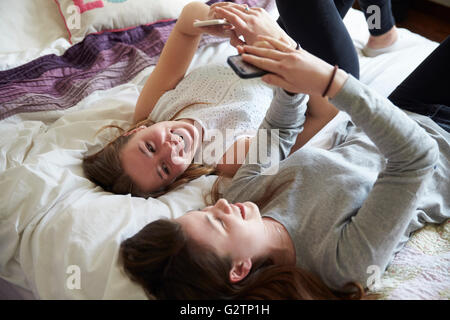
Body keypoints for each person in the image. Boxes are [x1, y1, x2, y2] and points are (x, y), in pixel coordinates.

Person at [119, 2, 450, 299]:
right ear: (239, 269)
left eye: (205, 212)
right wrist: (328, 82)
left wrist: (283, 68)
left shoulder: (244, 196)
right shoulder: (338, 264)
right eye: (217, 223)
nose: (220, 204)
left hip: (405, 111)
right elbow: (417, 158)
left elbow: (278, 132)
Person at [82, 1, 337, 198]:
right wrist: (276, 42)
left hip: (280, 42)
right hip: (325, 73)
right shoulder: (228, 157)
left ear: (137, 131)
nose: (170, 149)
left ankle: (380, 26)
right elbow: (325, 112)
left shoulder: (154, 109)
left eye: (149, 147)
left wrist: (215, 20)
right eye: (165, 169)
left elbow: (186, 22)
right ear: (175, 180)